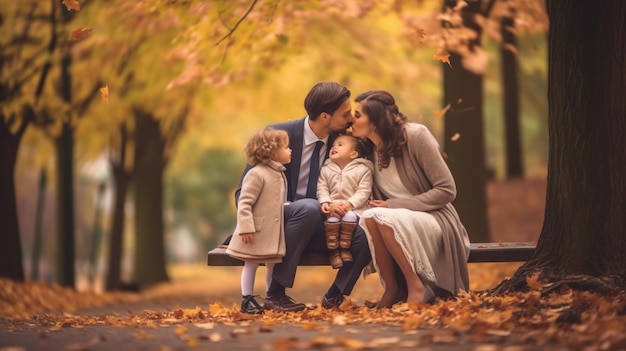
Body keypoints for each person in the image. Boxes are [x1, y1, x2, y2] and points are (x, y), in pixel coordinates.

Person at [232, 81, 372, 312]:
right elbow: (242, 195)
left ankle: (334, 296)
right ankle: (275, 295)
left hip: (320, 224)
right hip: (278, 224)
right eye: (345, 114)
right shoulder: (277, 137)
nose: (351, 119)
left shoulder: (342, 142)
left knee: (363, 237)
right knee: (308, 207)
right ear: (325, 116)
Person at [350, 90, 470, 308]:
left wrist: (393, 205)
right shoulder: (368, 149)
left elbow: (446, 190)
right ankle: (392, 289)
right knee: (370, 216)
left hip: (434, 218)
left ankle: (416, 286)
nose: (351, 120)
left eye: (357, 115)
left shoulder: (416, 135)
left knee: (378, 215)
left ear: (375, 121)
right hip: (395, 220)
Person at [226, 127, 292, 314]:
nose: (290, 150)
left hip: (271, 233)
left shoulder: (278, 173)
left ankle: (272, 297)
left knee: (272, 264)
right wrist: (246, 227)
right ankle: (247, 299)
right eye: (286, 147)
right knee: (251, 263)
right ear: (271, 150)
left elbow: (273, 201)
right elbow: (245, 202)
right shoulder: (257, 174)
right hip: (255, 232)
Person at [317, 134, 374, 269]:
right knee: (332, 218)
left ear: (353, 154)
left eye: (340, 145)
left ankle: (344, 248)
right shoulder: (326, 169)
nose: (334, 147)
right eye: (333, 145)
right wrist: (326, 202)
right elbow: (322, 187)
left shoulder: (363, 170)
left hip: (354, 208)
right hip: (333, 206)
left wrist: (350, 204)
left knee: (349, 216)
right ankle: (333, 251)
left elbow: (364, 191)